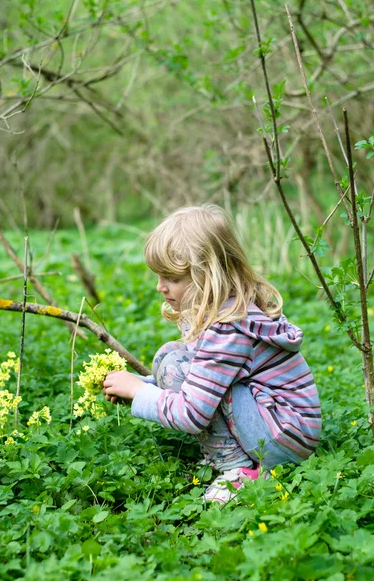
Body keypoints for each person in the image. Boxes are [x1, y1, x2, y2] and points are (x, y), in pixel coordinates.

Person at [102, 205, 321, 504]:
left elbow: (192, 413)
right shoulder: (229, 311)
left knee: (173, 364)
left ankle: (239, 470)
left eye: (172, 278)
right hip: (285, 428)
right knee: (171, 358)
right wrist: (141, 386)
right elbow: (201, 375)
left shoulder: (228, 329)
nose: (160, 287)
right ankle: (240, 459)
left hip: (279, 438)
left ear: (208, 274)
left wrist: (140, 392)